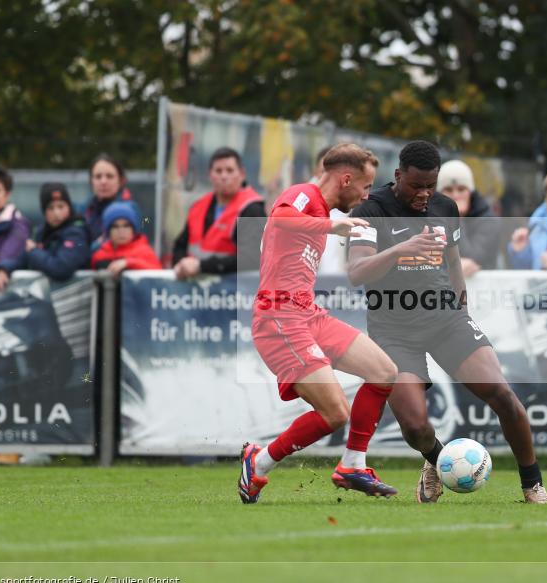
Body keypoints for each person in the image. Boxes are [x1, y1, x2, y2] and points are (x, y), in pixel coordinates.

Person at [346, 141, 547, 504]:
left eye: (431, 185)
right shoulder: (370, 210)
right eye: (416, 186)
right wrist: (400, 249)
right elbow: (355, 271)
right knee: (415, 426)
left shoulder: (445, 207)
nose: (424, 194)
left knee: (503, 396)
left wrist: (461, 307)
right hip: (393, 330)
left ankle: (533, 485)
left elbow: (454, 261)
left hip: (446, 319)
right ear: (398, 176)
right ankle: (437, 459)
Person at [238, 143, 399, 504]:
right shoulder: (303, 195)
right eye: (365, 186)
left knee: (384, 371)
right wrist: (333, 226)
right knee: (335, 413)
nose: (366, 194)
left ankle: (352, 464)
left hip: (309, 313)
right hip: (279, 316)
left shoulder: (319, 207)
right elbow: (279, 218)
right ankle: (259, 462)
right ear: (345, 179)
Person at [172, 147, 266, 278]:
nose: (224, 176)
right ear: (210, 175)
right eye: (218, 171)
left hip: (233, 292)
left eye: (230, 170)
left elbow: (252, 259)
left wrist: (201, 266)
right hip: (194, 291)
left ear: (242, 174)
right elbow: (180, 245)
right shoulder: (198, 207)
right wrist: (181, 264)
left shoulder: (252, 209)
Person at [0, 183, 91, 291]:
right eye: (50, 208)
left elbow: (61, 269)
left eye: (61, 206)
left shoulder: (76, 233)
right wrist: (3, 269)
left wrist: (34, 252)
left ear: (69, 207)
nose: (56, 213)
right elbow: (23, 258)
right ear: (44, 212)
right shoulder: (41, 232)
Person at [437, 159, 501, 277]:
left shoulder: (488, 220)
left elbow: (471, 259)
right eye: (449, 190)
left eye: (461, 189)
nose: (455, 195)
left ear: (470, 192)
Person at [81, 154, 141, 250]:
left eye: (109, 176)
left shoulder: (131, 210)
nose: (103, 181)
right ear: (91, 181)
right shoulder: (84, 210)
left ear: (121, 180)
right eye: (98, 176)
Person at [90, 202, 160, 274]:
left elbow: (157, 273)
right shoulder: (99, 255)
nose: (121, 231)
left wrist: (129, 263)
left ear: (133, 229)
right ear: (108, 231)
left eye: (126, 226)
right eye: (115, 226)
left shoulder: (144, 252)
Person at [314, 145, 349, 276]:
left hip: (343, 291)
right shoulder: (298, 207)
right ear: (316, 173)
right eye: (324, 172)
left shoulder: (358, 210)